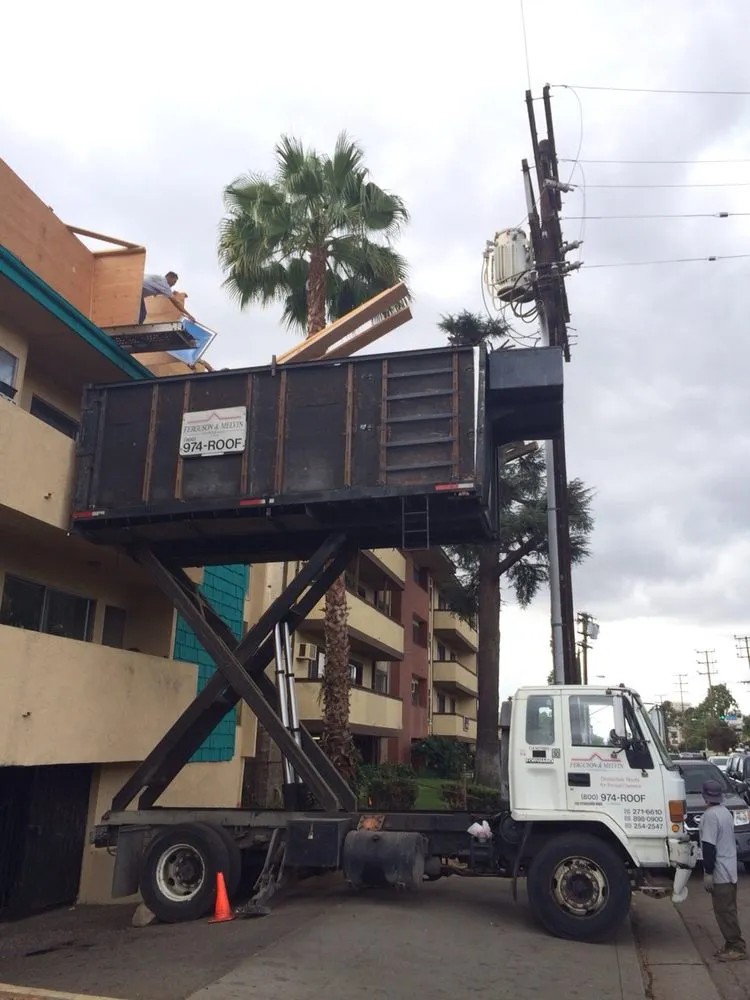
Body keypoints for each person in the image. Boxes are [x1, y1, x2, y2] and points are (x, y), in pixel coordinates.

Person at [700, 778, 747, 961]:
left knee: (724, 912)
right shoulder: (725, 812)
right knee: (728, 910)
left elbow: (709, 847)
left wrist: (708, 872)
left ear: (704, 796)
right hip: (730, 870)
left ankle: (737, 947)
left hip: (721, 872)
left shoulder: (710, 816)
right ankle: (730, 945)